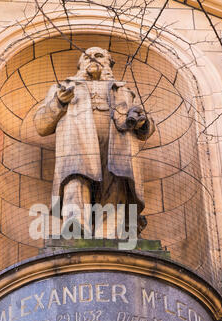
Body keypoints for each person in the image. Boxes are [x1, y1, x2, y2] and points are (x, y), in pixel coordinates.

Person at [34, 47, 155, 237]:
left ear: (109, 62)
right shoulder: (63, 87)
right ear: (80, 64)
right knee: (76, 177)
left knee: (116, 182)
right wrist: (59, 102)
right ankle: (75, 227)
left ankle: (110, 232)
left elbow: (145, 127)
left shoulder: (124, 91)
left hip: (117, 145)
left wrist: (141, 120)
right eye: (86, 57)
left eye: (98, 55)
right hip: (78, 143)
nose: (92, 59)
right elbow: (41, 125)